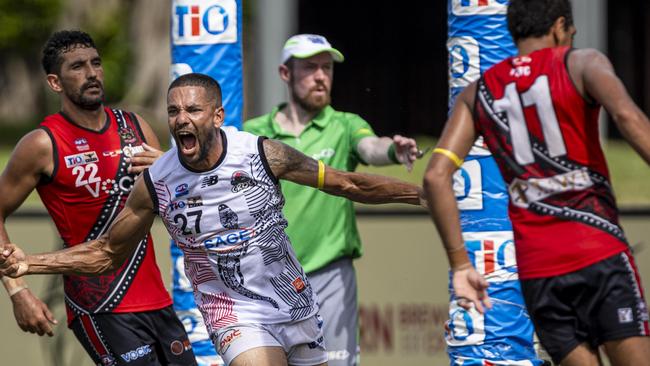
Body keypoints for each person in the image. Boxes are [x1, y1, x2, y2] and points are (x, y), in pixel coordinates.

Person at [0, 73, 424, 366]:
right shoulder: (157, 182)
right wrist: (30, 263)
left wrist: (423, 194)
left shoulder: (261, 154)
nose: (181, 119)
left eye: (192, 110)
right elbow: (106, 254)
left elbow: (347, 185)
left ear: (217, 117)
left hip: (293, 301)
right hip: (232, 311)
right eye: (173, 111)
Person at [423, 0, 650, 365]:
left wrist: (461, 265)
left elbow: (435, 177)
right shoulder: (582, 63)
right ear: (560, 26)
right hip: (597, 251)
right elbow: (627, 117)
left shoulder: (477, 93)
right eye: (571, 33)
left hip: (538, 273)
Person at [0, 30, 196, 365]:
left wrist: (168, 171)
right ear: (55, 82)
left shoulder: (135, 126)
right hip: (100, 304)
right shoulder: (43, 143)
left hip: (157, 300)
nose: (92, 73)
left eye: (96, 63)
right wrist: (18, 292)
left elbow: (179, 204)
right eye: (77, 67)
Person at [244, 34, 419, 366]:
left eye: (327, 68)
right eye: (310, 68)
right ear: (285, 73)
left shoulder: (345, 125)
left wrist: (394, 150)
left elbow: (372, 149)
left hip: (330, 277)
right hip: (268, 279)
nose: (321, 76)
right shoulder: (254, 133)